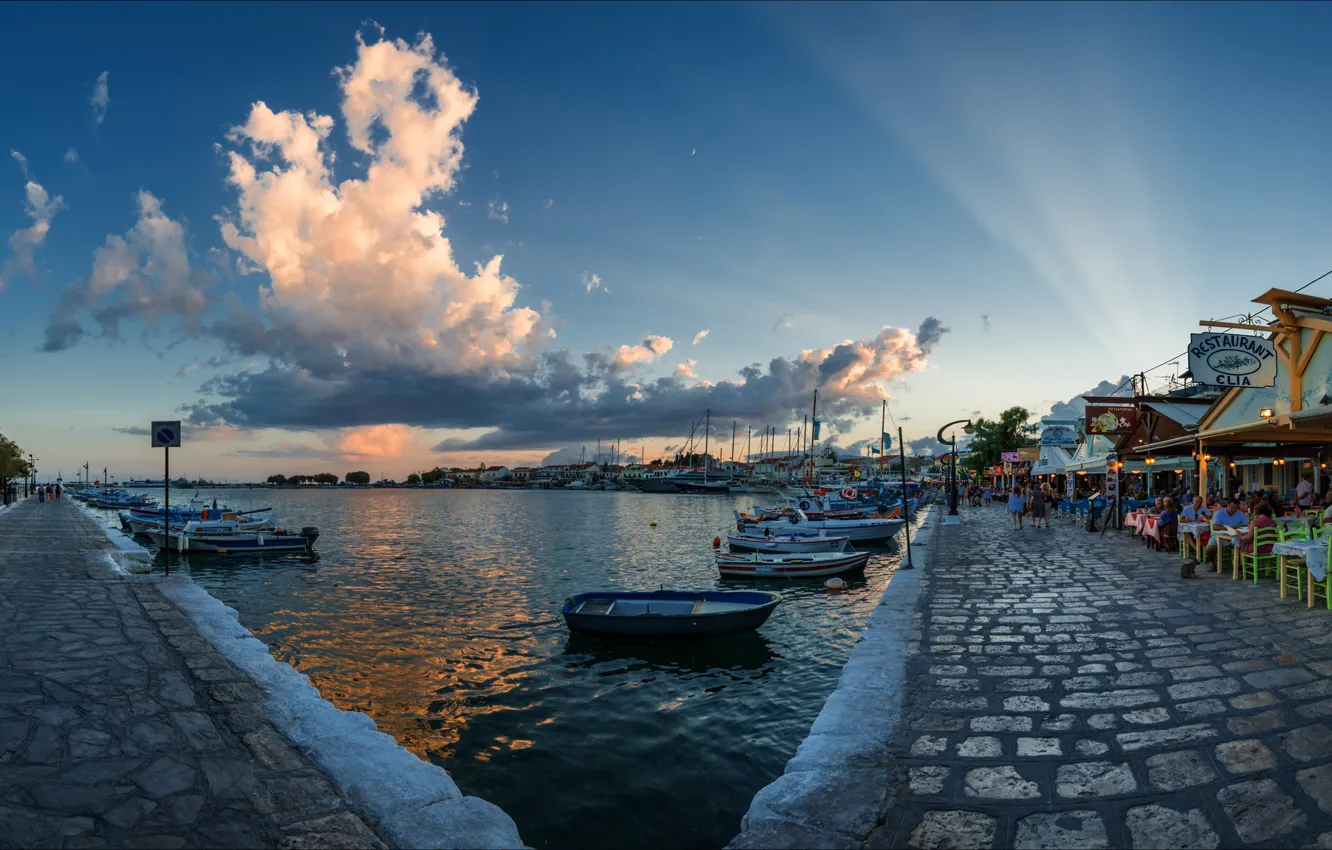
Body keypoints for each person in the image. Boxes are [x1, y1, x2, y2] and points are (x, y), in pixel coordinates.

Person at [1206, 497, 1249, 572]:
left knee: (1245, 545)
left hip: (1234, 536)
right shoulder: (1219, 513)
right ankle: (1212, 562)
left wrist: (1244, 528)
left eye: (1236, 508)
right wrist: (1227, 528)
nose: (1233, 510)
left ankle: (1240, 565)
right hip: (1219, 535)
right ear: (1228, 505)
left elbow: (1248, 523)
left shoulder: (1239, 513)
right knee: (1209, 549)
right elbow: (1215, 527)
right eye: (1232, 508)